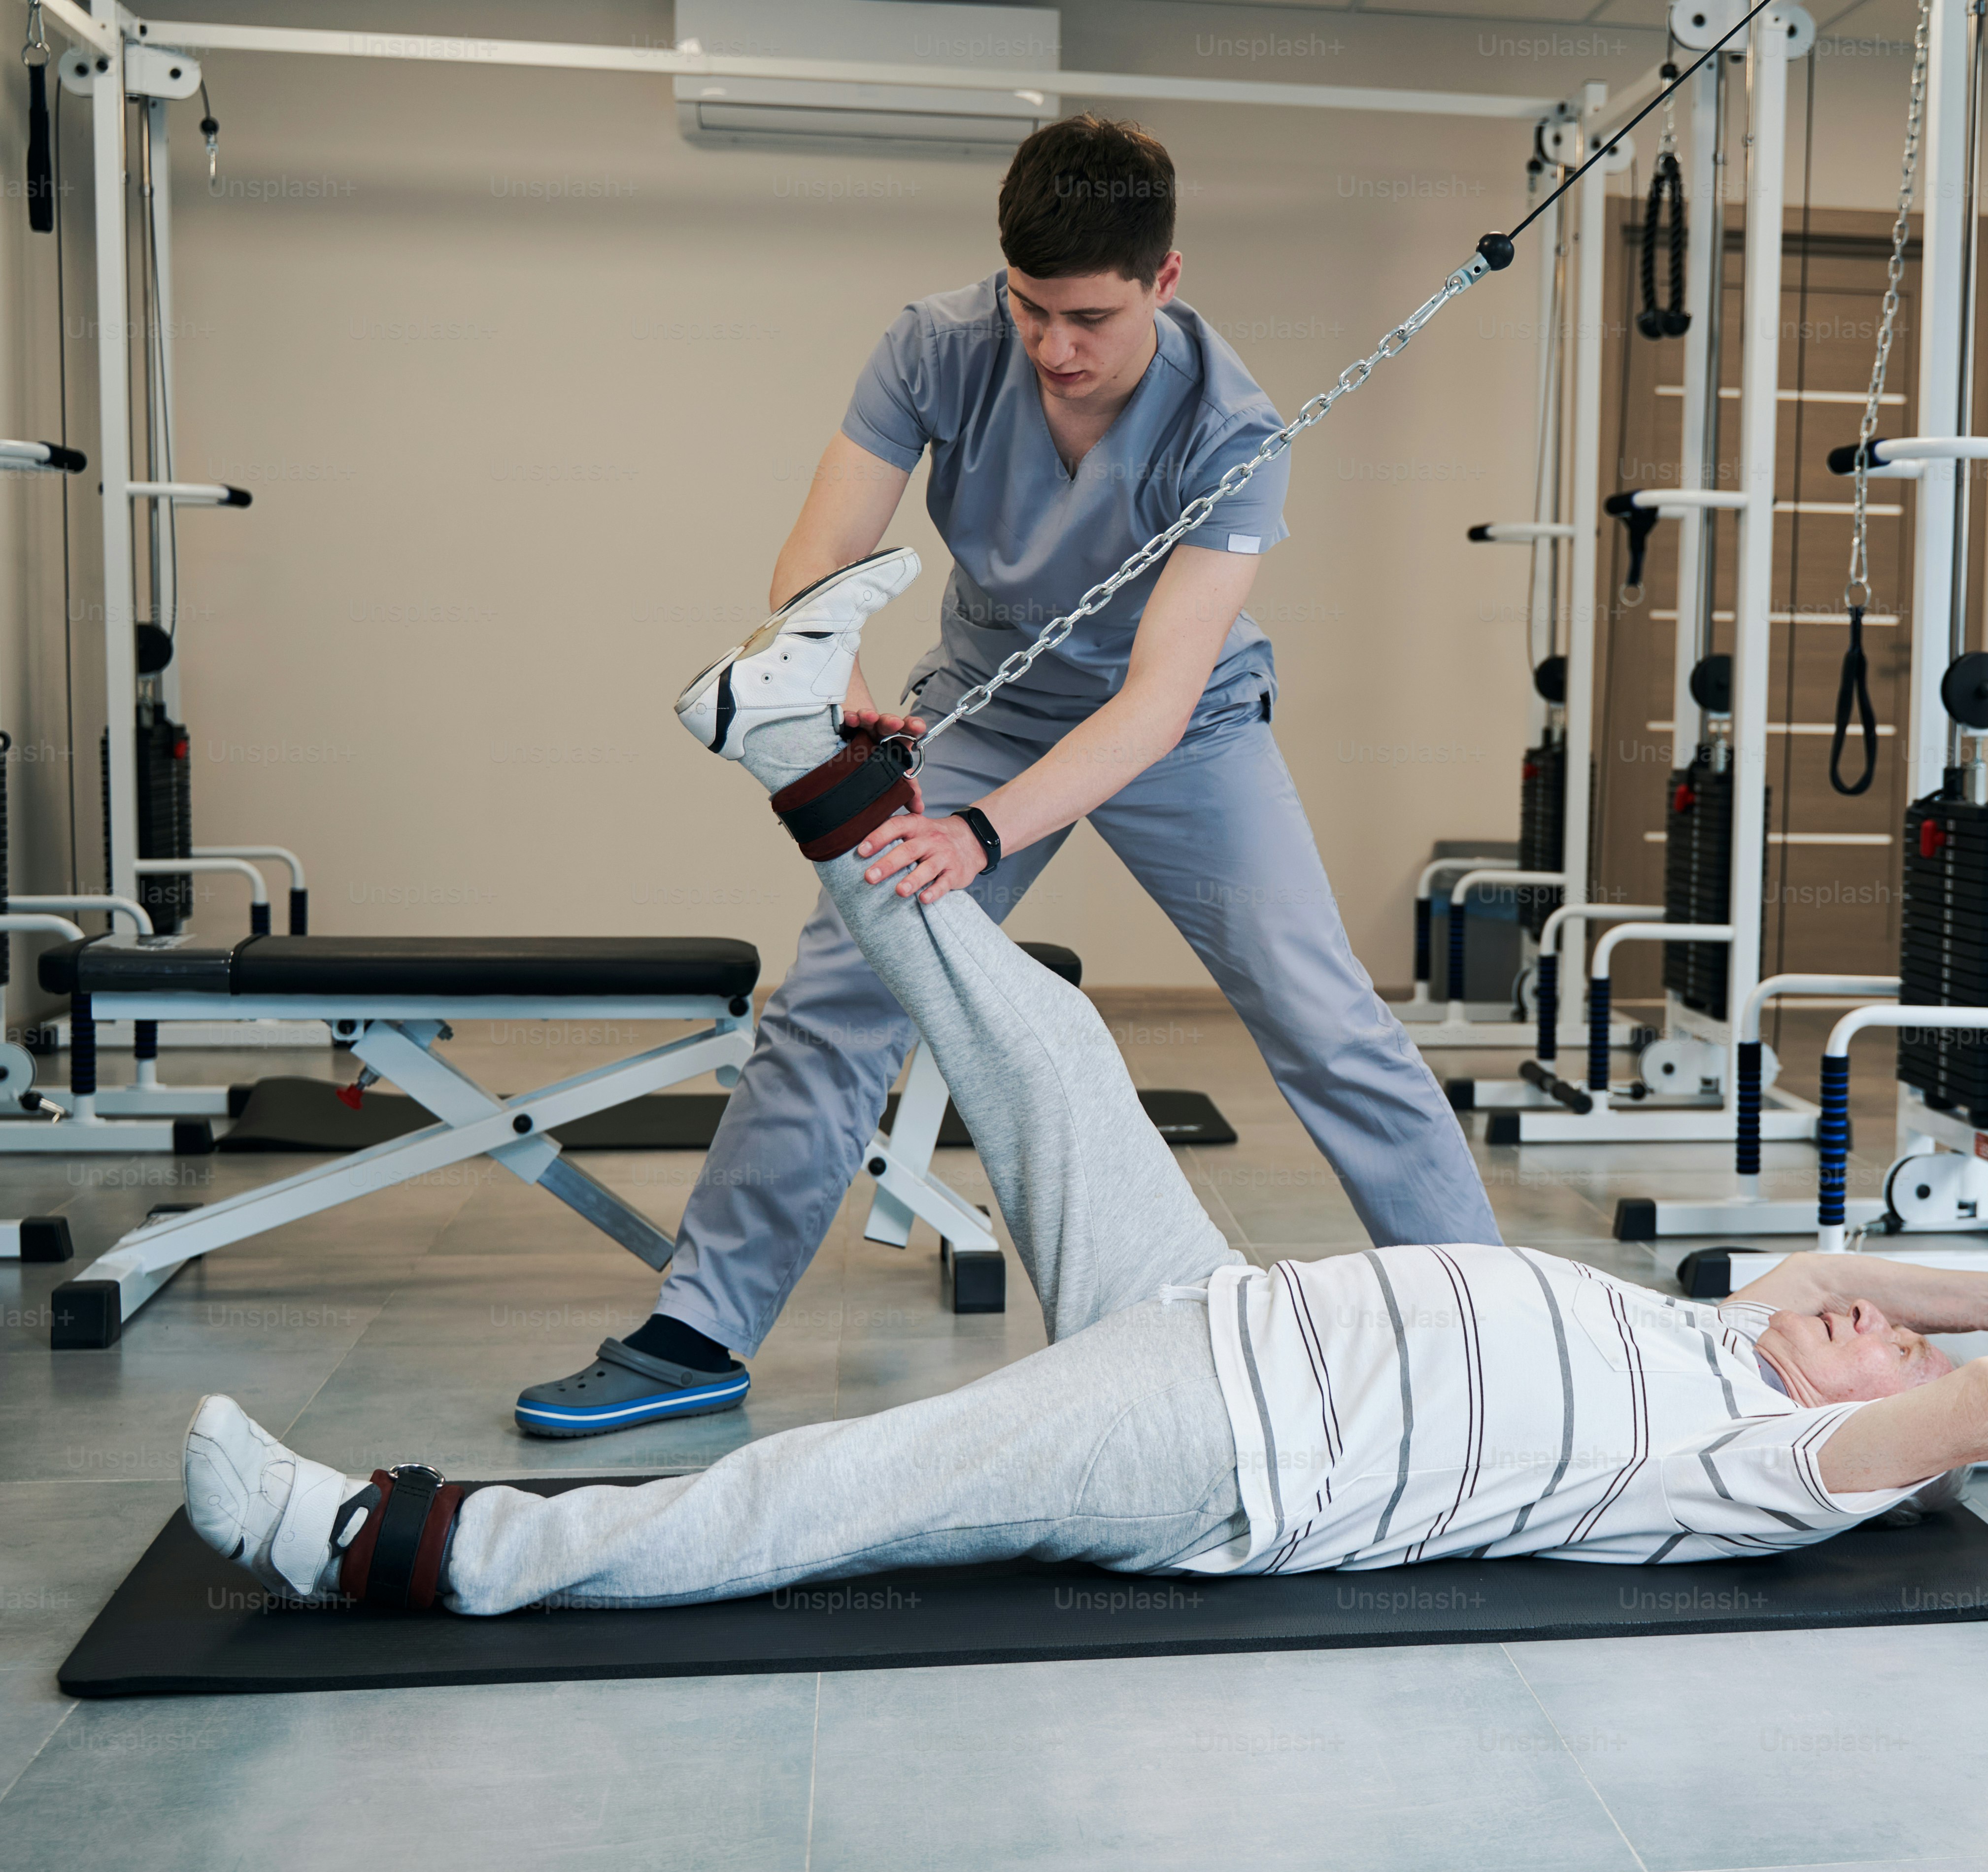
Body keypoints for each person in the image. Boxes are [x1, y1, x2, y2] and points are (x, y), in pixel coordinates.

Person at [183, 556, 1988, 1612]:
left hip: (1229, 1450)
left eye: (1890, 1351)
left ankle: (412, 1547)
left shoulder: (1764, 1463)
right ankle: (785, 743)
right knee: (1048, 1036)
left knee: (836, 1489)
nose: (1871, 1322)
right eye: (1879, 1323)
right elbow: (1871, 1289)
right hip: (1209, 1304)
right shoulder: (1718, 1335)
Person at [510, 112, 1505, 1439]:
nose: (1053, 347)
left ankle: (1501, 1329)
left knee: (1323, 1019)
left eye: (1089, 317)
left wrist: (979, 834)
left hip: (1186, 731)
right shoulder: (935, 345)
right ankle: (699, 1331)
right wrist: (838, 692)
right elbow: (819, 564)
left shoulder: (1232, 428)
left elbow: (1153, 703)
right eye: (1031, 308)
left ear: (1164, 279)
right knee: (838, 1001)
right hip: (983, 703)